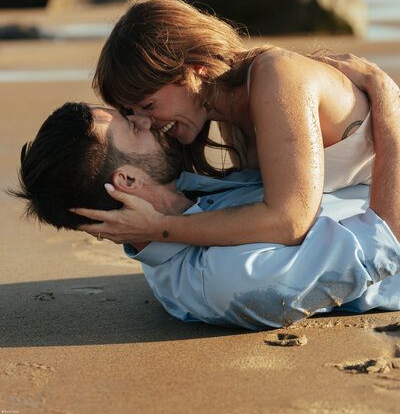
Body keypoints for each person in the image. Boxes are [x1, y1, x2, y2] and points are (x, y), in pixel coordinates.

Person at [14, 55, 400, 329]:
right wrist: (387, 103)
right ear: (128, 182)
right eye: (132, 127)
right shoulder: (226, 279)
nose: (146, 122)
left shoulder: (195, 199)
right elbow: (385, 242)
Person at [91, 0, 375, 247]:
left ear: (195, 70)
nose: (146, 122)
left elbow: (290, 220)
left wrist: (157, 228)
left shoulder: (275, 77)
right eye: (132, 112)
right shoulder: (230, 114)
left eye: (148, 105)